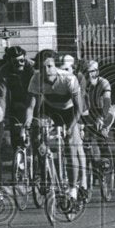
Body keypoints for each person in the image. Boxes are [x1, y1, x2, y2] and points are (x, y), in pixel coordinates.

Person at [23, 49, 86, 201]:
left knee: (71, 145)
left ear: (55, 66)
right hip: (50, 108)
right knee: (37, 137)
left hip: (69, 111)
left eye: (50, 66)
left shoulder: (68, 79)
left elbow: (79, 108)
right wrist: (28, 122)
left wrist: (70, 128)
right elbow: (31, 107)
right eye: (43, 68)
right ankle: (44, 173)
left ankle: (73, 188)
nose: (47, 71)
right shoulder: (35, 79)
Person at [80, 59, 113, 170]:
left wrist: (101, 117)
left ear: (97, 72)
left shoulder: (104, 83)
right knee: (84, 136)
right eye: (87, 71)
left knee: (101, 135)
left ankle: (106, 161)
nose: (89, 74)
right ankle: (87, 163)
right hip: (89, 112)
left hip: (104, 111)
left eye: (92, 71)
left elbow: (107, 103)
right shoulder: (82, 83)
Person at [1, 46, 35, 150]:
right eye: (16, 62)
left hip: (32, 99)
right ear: (10, 62)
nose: (20, 64)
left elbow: (38, 91)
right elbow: (2, 95)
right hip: (15, 102)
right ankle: (17, 155)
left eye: (22, 60)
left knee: (36, 134)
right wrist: (2, 117)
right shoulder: (4, 71)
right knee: (15, 133)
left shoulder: (32, 67)